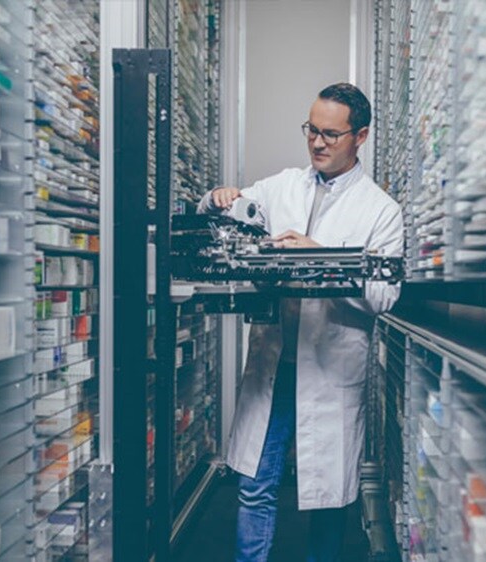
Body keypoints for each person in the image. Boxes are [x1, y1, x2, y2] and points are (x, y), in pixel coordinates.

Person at [198, 82, 403, 562]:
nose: (317, 143)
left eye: (331, 134)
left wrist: (322, 259)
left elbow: (385, 295)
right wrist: (218, 196)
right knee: (255, 484)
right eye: (312, 130)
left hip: (331, 370)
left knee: (328, 501)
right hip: (274, 363)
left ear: (361, 136)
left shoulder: (381, 211)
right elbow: (218, 211)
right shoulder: (281, 186)